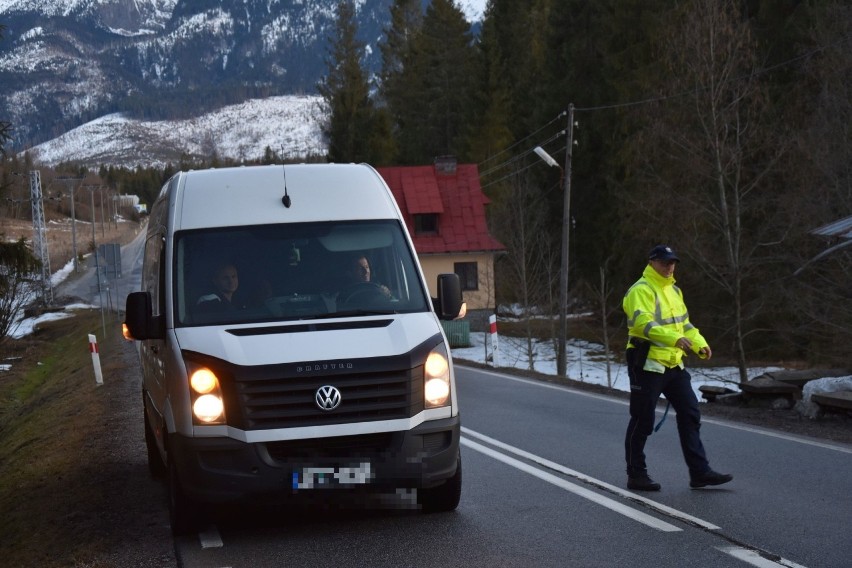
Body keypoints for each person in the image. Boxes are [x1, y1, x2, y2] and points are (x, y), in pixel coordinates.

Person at [622, 245, 733, 491]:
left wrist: (699, 344)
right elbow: (642, 325)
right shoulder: (640, 290)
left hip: (674, 363)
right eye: (664, 262)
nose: (669, 266)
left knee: (690, 413)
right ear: (651, 262)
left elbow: (685, 325)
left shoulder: (674, 290)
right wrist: (673, 339)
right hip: (647, 363)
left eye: (672, 262)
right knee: (643, 419)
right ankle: (636, 474)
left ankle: (700, 472)